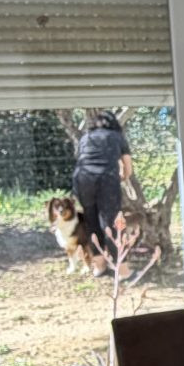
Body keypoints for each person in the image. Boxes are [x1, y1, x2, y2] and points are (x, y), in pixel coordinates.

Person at [72, 108, 133, 271]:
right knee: (113, 223)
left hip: (83, 179)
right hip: (106, 179)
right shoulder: (117, 137)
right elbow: (128, 169)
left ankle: (99, 266)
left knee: (91, 220)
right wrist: (121, 178)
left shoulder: (86, 137)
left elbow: (82, 159)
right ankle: (123, 270)